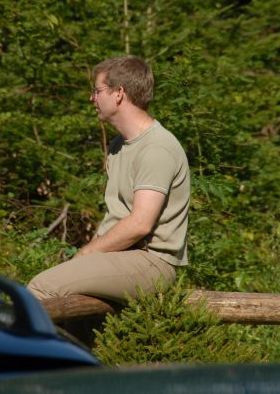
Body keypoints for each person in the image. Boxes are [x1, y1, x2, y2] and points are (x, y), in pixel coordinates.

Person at [27, 55, 190, 302]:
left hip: (152, 262)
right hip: (121, 256)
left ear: (119, 93)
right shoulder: (118, 145)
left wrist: (86, 254)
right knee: (68, 299)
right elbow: (115, 218)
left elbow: (140, 224)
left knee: (42, 287)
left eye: (97, 91)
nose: (91, 98)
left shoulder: (157, 148)